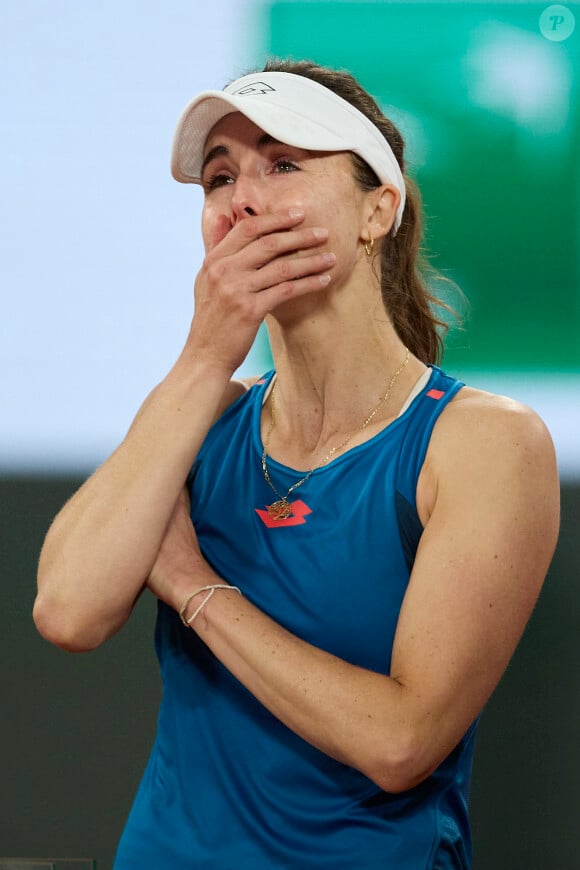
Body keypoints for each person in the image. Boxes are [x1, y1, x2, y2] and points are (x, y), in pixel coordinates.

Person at [34, 59, 560, 869]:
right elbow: (67, 613)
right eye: (219, 178)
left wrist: (189, 583)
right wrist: (207, 354)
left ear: (376, 210)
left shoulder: (484, 441)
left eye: (283, 165)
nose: (241, 200)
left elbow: (400, 741)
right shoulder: (203, 410)